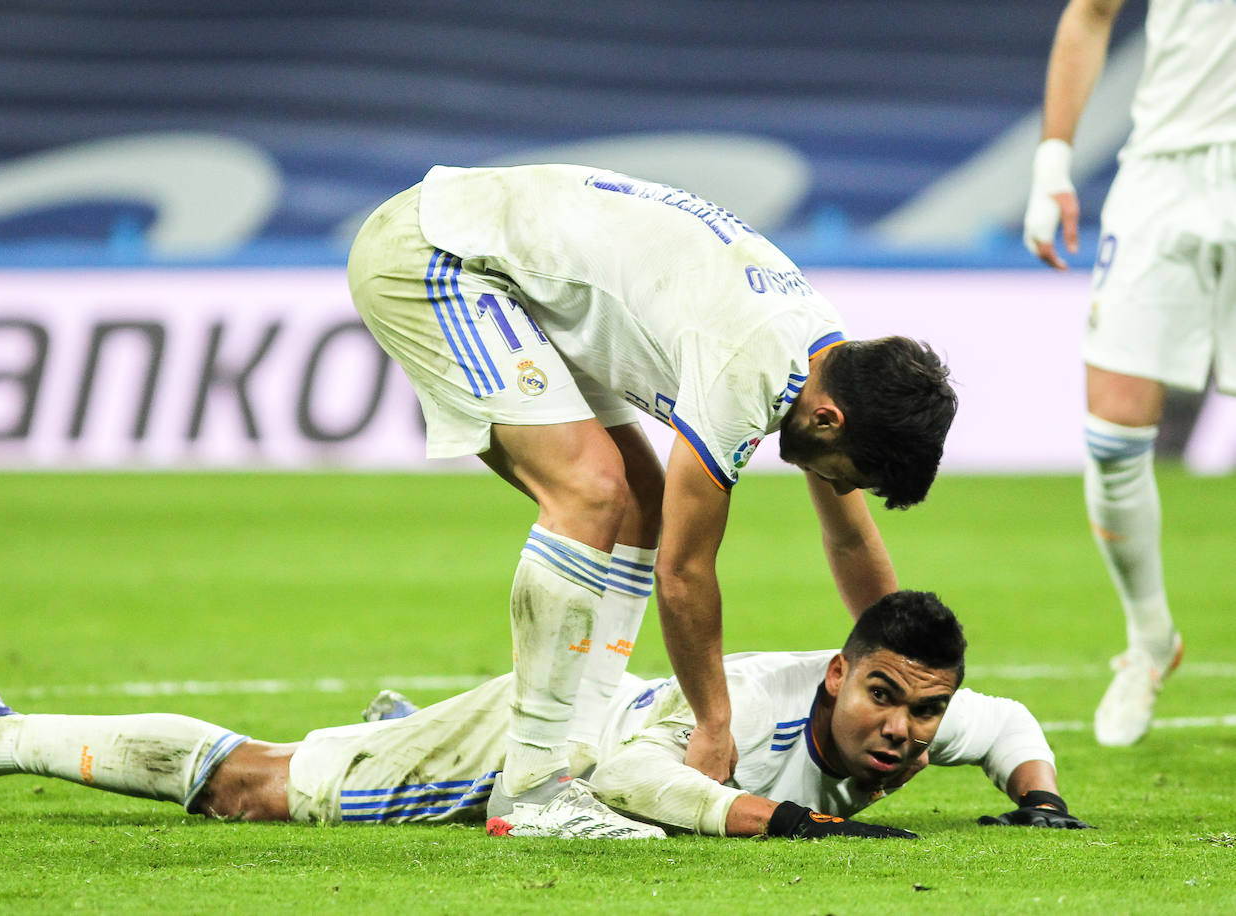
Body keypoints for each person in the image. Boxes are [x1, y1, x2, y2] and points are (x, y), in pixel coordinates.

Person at [345, 163, 958, 832]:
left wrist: (906, 662)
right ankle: (529, 789)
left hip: (500, 262)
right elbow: (684, 571)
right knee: (591, 492)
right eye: (849, 473)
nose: (839, 488)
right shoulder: (746, 363)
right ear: (831, 419)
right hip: (432, 255)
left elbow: (849, 538)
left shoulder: (823, 360)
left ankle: (568, 749)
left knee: (639, 497)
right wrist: (713, 724)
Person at [0, 591, 1093, 838]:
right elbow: (618, 775)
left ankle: (396, 725)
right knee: (261, 786)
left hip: (553, 737)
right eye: (883, 695)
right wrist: (779, 824)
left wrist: (1040, 799)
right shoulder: (751, 703)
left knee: (382, 761)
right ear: (835, 674)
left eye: (921, 712)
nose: (904, 731)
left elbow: (1015, 719)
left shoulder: (934, 718)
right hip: (547, 739)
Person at [1023, 0, 1235, 746]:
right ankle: (1149, 640)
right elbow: (1091, 12)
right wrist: (1053, 160)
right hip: (1164, 174)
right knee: (1113, 435)